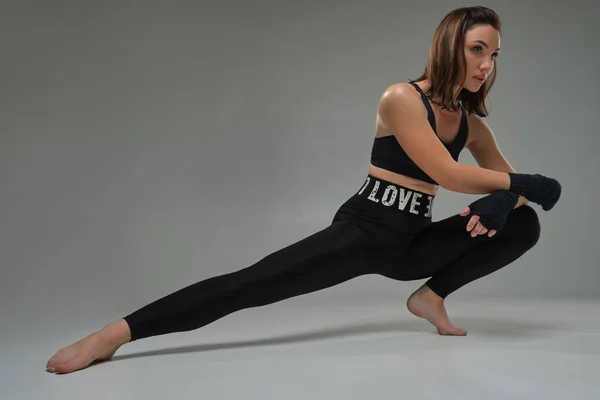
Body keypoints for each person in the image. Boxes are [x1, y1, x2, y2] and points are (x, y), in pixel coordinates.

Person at [45, 5, 561, 374]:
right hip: (363, 231)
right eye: (477, 50)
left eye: (494, 54)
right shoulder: (402, 98)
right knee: (250, 284)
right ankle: (112, 335)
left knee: (524, 222)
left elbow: (518, 192)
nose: (487, 65)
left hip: (411, 245)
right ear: (451, 45)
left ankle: (429, 296)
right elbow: (452, 176)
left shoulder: (473, 126)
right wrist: (517, 184)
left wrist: (503, 199)